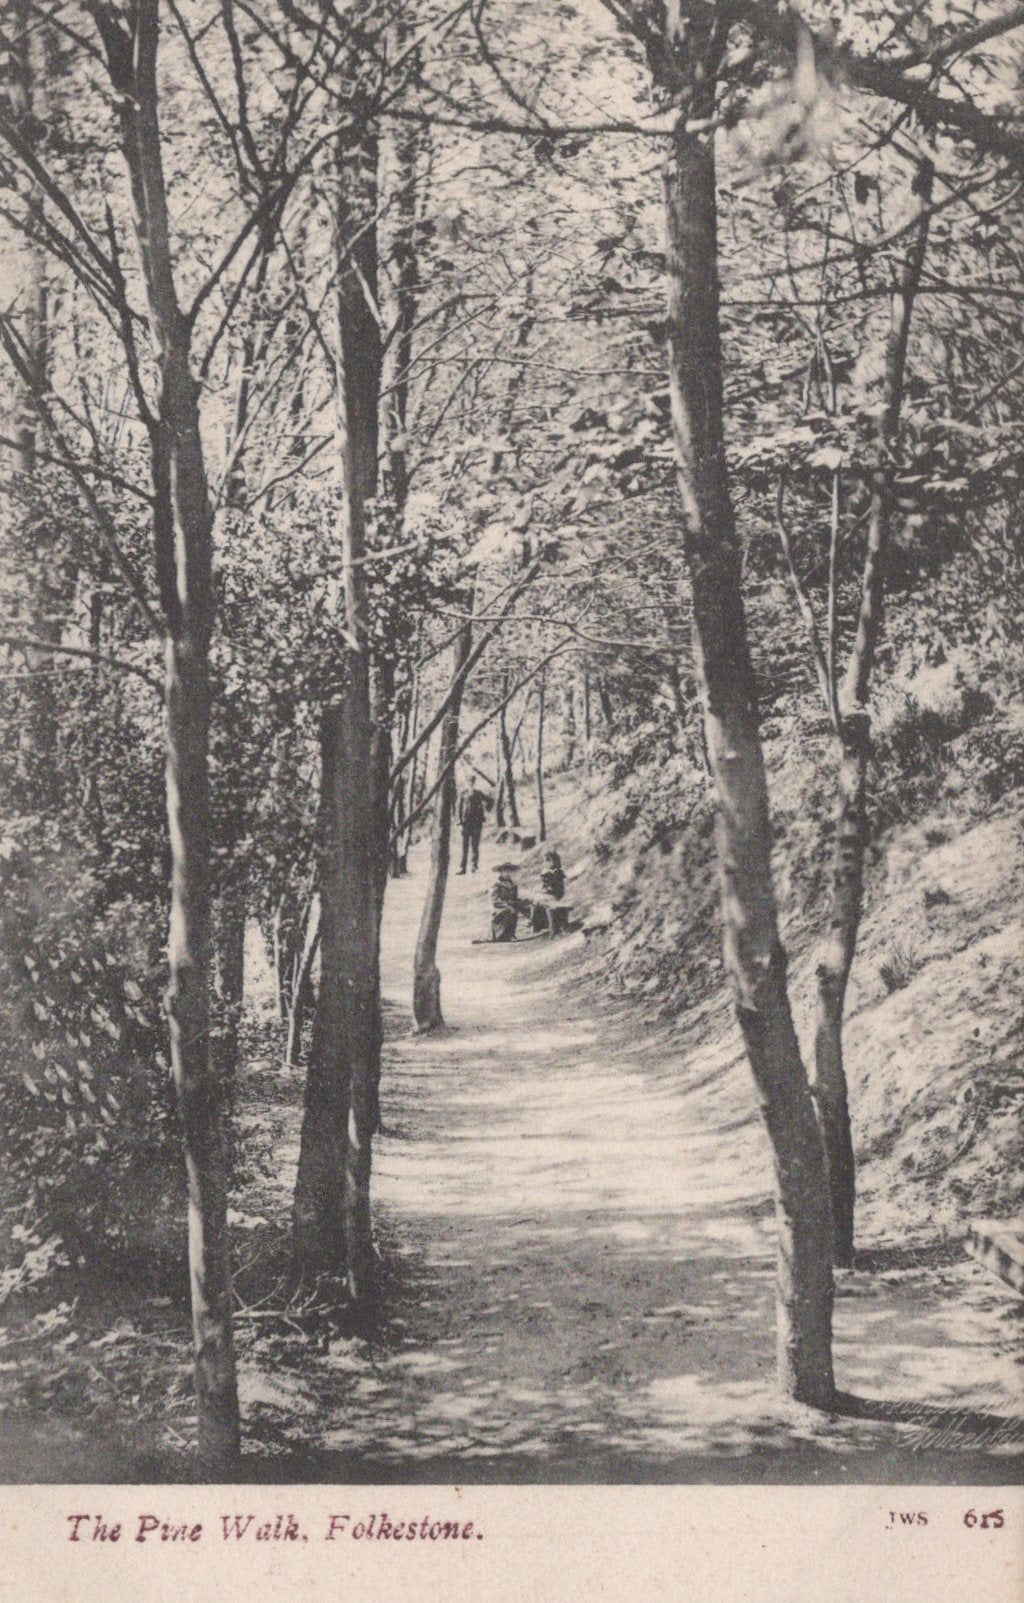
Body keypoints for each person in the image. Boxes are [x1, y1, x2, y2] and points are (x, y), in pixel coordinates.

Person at [490, 863, 527, 942]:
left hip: (511, 905)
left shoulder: (513, 884)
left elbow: (515, 897)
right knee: (510, 911)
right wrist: (506, 905)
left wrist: (519, 903)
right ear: (500, 872)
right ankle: (502, 935)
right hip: (499, 907)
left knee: (519, 909)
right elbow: (495, 899)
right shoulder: (497, 884)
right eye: (505, 872)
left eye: (509, 871)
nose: (507, 873)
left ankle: (511, 934)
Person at [457, 779, 487, 874]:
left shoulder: (479, 793)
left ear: (474, 783)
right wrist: (459, 822)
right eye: (469, 782)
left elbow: (490, 801)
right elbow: (458, 808)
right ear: (466, 783)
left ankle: (474, 867)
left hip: (476, 823)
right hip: (465, 823)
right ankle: (463, 868)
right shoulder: (463, 794)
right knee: (464, 846)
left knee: (475, 846)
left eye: (472, 782)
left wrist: (483, 813)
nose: (471, 784)